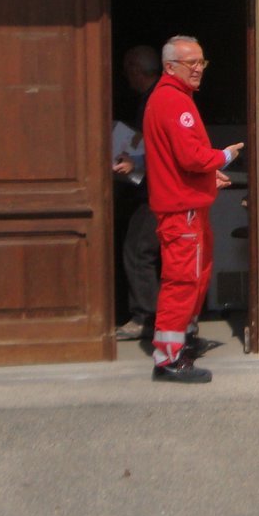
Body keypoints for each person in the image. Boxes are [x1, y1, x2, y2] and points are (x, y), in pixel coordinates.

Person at [142, 35, 243, 384]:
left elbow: (177, 162)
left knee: (193, 278)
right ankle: (168, 358)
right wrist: (224, 157)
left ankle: (181, 343)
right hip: (181, 210)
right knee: (183, 282)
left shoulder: (170, 98)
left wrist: (206, 178)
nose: (199, 68)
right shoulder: (174, 101)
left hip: (186, 205)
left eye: (202, 62)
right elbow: (192, 156)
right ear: (170, 67)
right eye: (191, 63)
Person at [113, 45, 162, 343]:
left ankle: (147, 317)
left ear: (135, 69)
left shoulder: (156, 99)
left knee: (137, 251)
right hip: (153, 189)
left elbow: (163, 148)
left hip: (157, 192)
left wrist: (137, 162)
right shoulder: (152, 97)